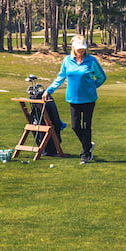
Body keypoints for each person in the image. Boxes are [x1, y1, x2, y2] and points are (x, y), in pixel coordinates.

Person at [45, 36, 106, 164]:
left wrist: (92, 87)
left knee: (86, 125)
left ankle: (85, 154)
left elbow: (101, 77)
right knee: (75, 126)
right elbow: (60, 77)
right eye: (79, 49)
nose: (81, 51)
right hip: (73, 98)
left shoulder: (91, 60)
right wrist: (49, 90)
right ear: (73, 48)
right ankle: (88, 145)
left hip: (89, 99)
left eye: (83, 49)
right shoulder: (67, 61)